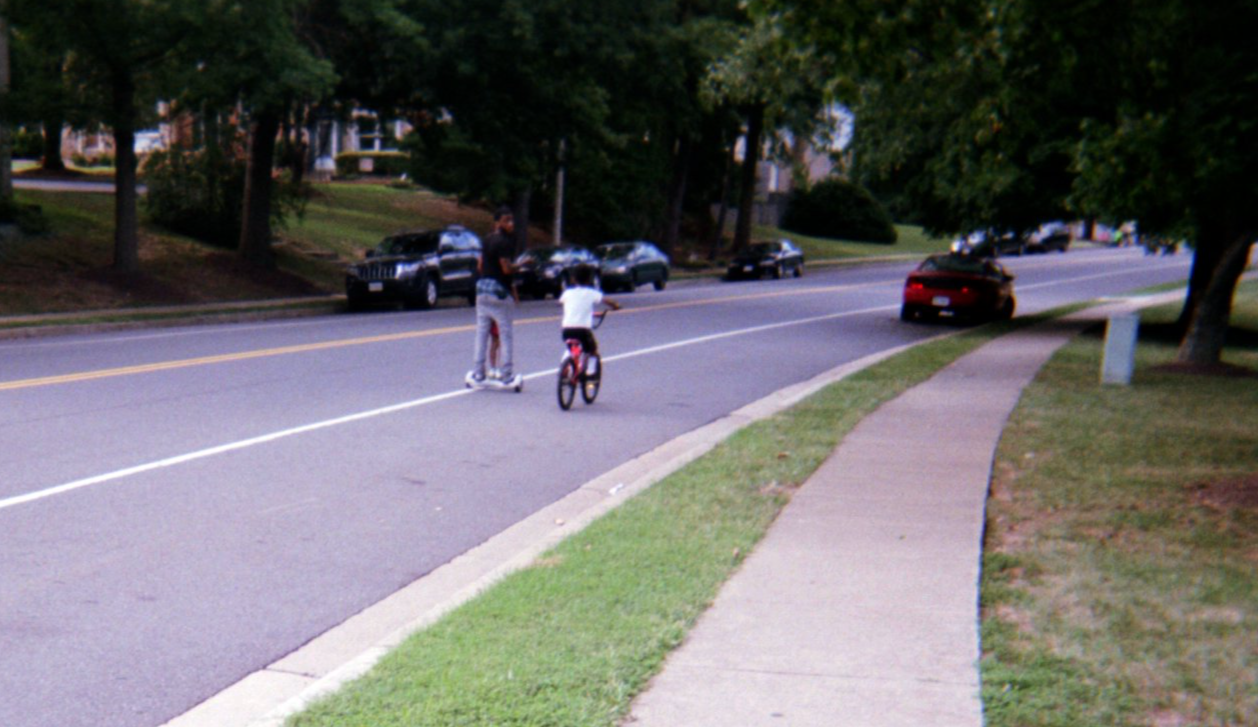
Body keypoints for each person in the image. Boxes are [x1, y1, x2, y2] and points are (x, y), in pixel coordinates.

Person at [470, 207, 519, 384]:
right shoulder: (504, 242)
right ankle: (506, 375)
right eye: (507, 220)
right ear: (497, 223)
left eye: (512, 220)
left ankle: (478, 373)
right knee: (505, 334)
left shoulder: (487, 239)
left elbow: (480, 265)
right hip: (499, 291)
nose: (511, 224)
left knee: (481, 333)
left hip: (482, 289)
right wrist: (521, 264)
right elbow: (506, 269)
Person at [558, 264, 620, 376]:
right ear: (589, 279)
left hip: (566, 329)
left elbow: (561, 302)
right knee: (592, 350)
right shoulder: (592, 293)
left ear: (573, 279)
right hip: (582, 330)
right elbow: (607, 301)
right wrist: (616, 306)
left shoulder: (567, 293)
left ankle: (563, 365)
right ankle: (590, 371)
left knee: (571, 347)